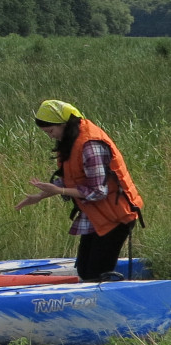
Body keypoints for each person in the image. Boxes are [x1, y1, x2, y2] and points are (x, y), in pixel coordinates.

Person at [15, 100, 144, 281]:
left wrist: (60, 191)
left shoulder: (90, 145)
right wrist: (40, 195)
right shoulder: (72, 141)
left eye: (51, 131)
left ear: (64, 124)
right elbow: (73, 180)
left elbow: (98, 191)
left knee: (95, 273)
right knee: (84, 271)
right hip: (96, 215)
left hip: (116, 216)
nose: (51, 137)